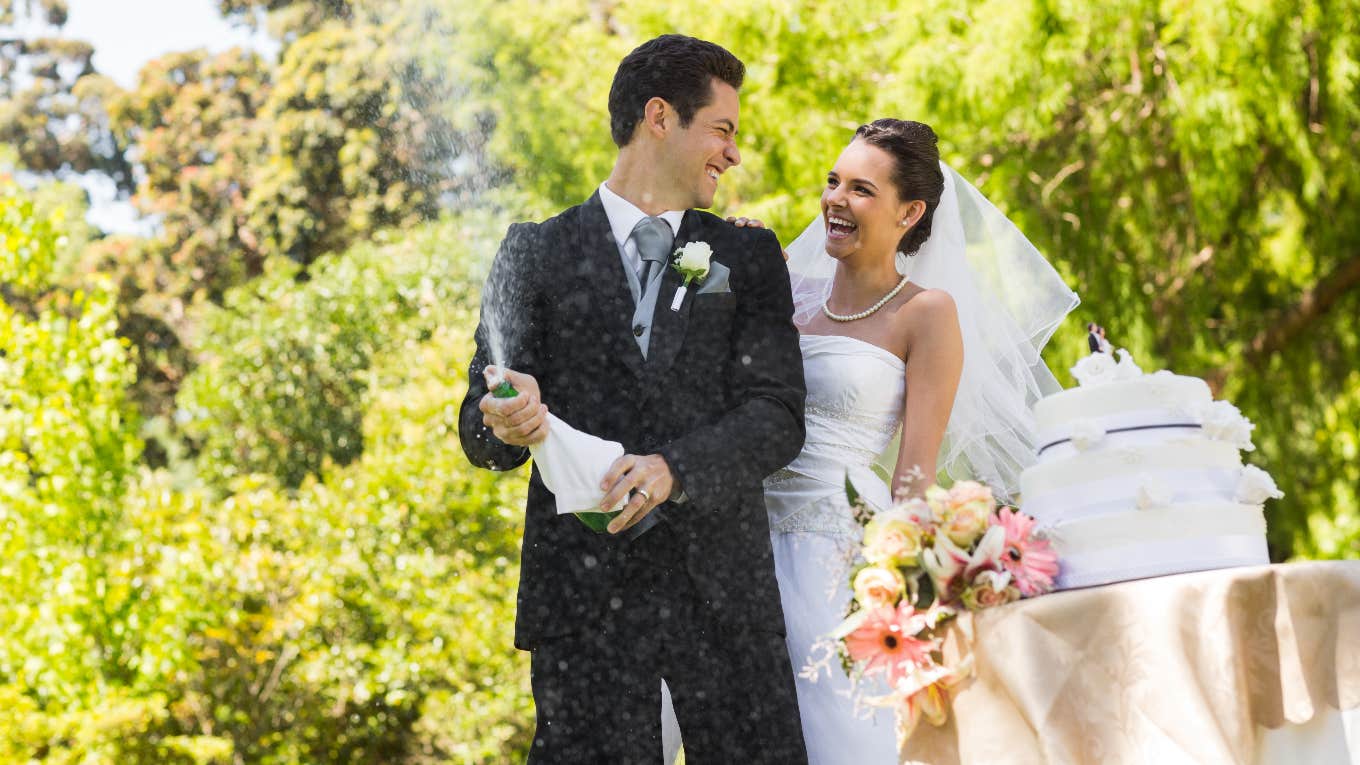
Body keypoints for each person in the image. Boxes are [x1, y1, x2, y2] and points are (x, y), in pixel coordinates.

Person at [459, 34, 810, 763]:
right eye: (723, 129)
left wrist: (673, 469)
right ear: (660, 117)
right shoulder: (533, 251)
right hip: (583, 602)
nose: (733, 153)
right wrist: (506, 414)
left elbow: (776, 414)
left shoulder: (745, 256)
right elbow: (478, 429)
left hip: (723, 594)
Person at [723, 119, 1078, 762]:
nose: (835, 200)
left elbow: (912, 477)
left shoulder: (926, 313)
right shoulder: (780, 291)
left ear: (909, 212)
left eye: (861, 189)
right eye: (833, 182)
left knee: (838, 737)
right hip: (736, 546)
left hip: (829, 560)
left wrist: (894, 588)